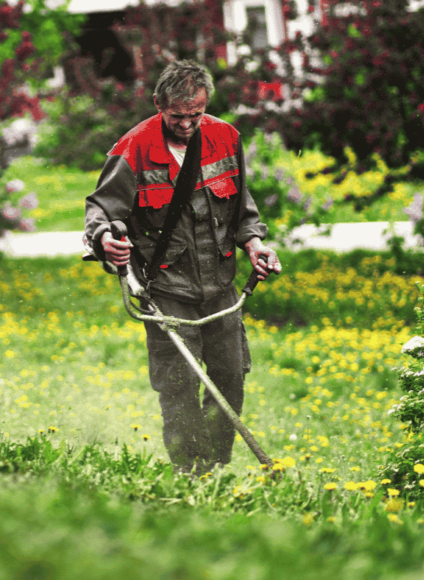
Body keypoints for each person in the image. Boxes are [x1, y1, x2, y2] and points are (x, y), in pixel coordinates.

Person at [84, 59, 281, 475]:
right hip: (168, 290)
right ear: (159, 104)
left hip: (221, 285)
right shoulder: (133, 148)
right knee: (179, 385)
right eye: (178, 116)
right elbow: (101, 211)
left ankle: (215, 465)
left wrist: (256, 245)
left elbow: (243, 210)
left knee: (230, 377)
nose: (188, 124)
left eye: (196, 114)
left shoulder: (225, 137)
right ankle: (190, 472)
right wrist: (107, 241)